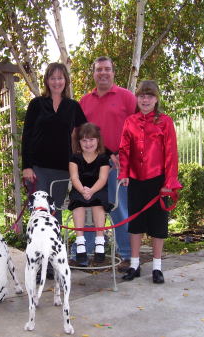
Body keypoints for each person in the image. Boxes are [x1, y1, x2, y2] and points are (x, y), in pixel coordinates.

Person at [21, 62, 87, 280]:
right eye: (53, 78)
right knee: (40, 214)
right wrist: (27, 166)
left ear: (65, 81)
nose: (57, 82)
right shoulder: (36, 104)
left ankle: (53, 262)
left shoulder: (72, 106)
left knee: (55, 213)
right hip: (38, 168)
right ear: (47, 81)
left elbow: (87, 134)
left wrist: (106, 155)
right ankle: (37, 264)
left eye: (60, 78)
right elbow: (27, 136)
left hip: (62, 169)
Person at [118, 80, 182, 284]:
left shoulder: (165, 121)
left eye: (150, 96)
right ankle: (134, 265)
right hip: (135, 180)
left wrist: (169, 182)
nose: (145, 99)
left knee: (158, 225)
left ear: (156, 99)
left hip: (158, 181)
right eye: (142, 96)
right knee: (135, 224)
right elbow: (124, 149)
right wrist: (124, 173)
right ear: (137, 98)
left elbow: (171, 154)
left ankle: (157, 267)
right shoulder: (130, 121)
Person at [78, 56, 137, 271]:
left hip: (117, 165)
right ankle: (88, 253)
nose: (103, 73)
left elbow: (137, 130)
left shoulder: (127, 98)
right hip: (90, 166)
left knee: (118, 209)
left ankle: (128, 255)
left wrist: (124, 156)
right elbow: (79, 134)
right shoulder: (84, 101)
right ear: (93, 73)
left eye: (107, 69)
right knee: (87, 209)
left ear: (113, 72)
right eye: (99, 69)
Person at [68, 123, 112, 266]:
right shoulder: (75, 158)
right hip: (80, 188)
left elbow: (103, 178)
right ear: (79, 142)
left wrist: (91, 191)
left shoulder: (103, 158)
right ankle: (80, 242)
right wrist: (82, 190)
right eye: (84, 140)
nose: (88, 143)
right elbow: (74, 177)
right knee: (77, 204)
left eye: (91, 139)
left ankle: (100, 242)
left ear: (98, 140)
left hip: (98, 189)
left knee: (98, 203)